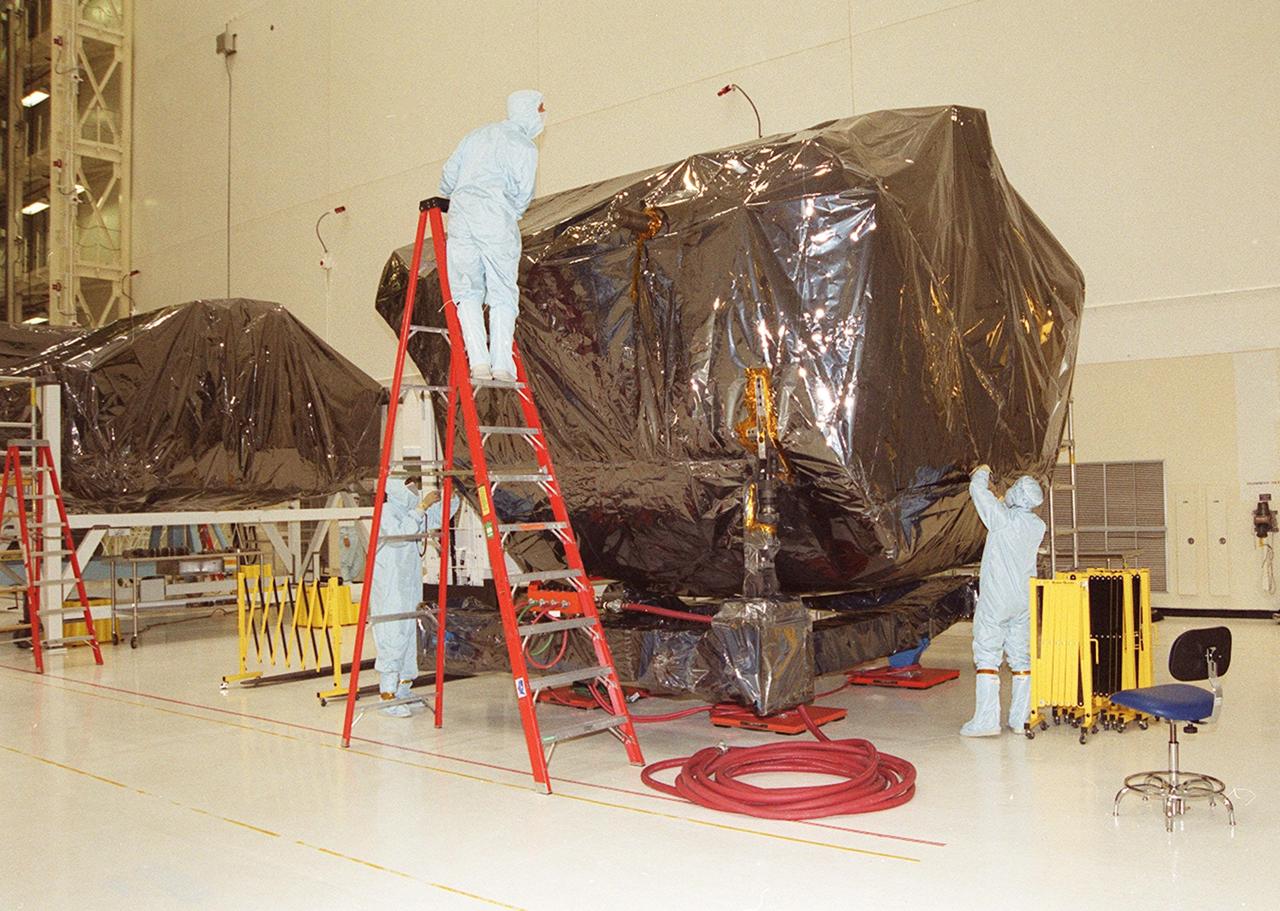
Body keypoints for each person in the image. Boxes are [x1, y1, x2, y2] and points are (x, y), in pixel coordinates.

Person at [438, 89, 545, 383]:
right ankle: (501, 364)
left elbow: (447, 179)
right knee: (501, 292)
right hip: (496, 218)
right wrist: (507, 210)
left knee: (466, 291)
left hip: (461, 217)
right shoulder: (523, 145)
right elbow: (524, 194)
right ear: (531, 111)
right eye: (541, 109)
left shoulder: (476, 136)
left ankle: (478, 363)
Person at [961, 466, 1046, 737]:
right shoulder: (1036, 525)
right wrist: (1002, 503)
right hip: (1023, 599)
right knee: (1021, 657)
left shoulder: (1001, 520)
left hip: (997, 598)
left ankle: (986, 721)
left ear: (1018, 494)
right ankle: (1021, 719)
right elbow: (1008, 514)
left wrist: (982, 471)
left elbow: (977, 490)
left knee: (987, 654)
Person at [370, 479, 449, 717]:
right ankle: (387, 695)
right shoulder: (385, 513)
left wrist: (450, 496)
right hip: (390, 590)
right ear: (396, 490)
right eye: (408, 485)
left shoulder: (410, 512)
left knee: (407, 638)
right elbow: (401, 534)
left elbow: (436, 520)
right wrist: (421, 507)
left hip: (408, 588)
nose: (414, 489)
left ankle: (404, 689)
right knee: (392, 637)